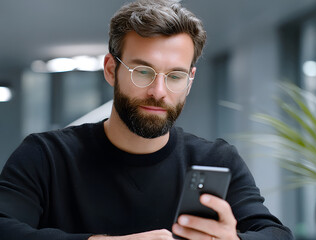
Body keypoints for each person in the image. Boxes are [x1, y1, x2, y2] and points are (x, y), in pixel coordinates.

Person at [0, 0, 294, 239]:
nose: (159, 92)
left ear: (190, 81)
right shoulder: (46, 156)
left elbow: (276, 234)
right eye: (142, 72)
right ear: (111, 69)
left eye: (175, 76)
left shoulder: (218, 159)